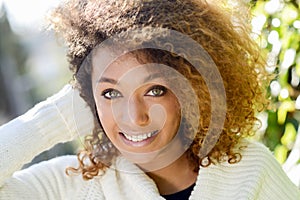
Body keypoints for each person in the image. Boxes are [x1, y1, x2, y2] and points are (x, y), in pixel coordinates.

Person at [0, 0, 300, 199]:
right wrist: (57, 116)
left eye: (154, 90)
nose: (135, 116)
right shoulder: (71, 184)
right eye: (111, 92)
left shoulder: (249, 170)